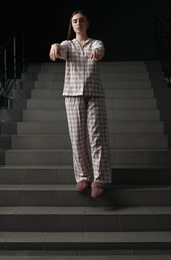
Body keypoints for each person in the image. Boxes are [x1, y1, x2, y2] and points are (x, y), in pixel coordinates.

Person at [49, 10, 111, 198]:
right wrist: (54, 46)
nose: (78, 23)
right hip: (72, 94)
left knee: (97, 137)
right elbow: (60, 49)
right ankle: (83, 177)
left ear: (87, 23)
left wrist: (97, 53)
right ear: (72, 24)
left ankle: (99, 179)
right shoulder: (68, 45)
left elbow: (99, 53)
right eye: (75, 21)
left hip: (94, 94)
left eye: (81, 20)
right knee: (77, 137)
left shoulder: (96, 43)